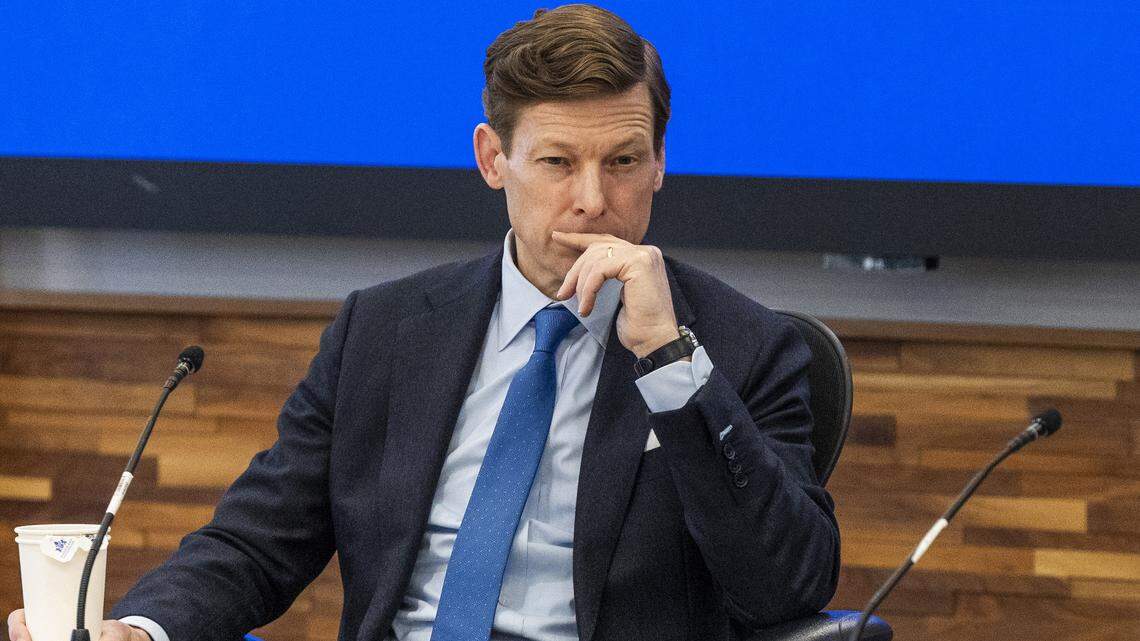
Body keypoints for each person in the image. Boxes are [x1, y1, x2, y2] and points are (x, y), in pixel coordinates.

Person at [8, 5, 838, 641]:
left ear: (659, 160)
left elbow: (787, 588)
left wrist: (668, 360)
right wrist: (140, 629)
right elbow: (257, 542)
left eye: (622, 160)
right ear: (491, 159)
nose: (593, 197)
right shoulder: (385, 331)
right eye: (557, 162)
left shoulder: (740, 347)